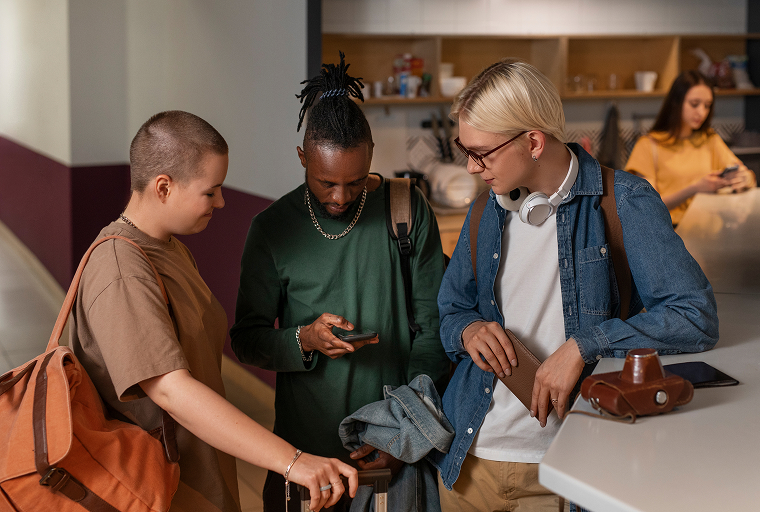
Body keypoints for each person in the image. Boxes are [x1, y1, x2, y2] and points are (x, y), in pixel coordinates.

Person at [434, 60, 719, 511]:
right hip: (468, 463)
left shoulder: (623, 200)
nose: (472, 167)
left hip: (566, 465)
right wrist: (467, 330)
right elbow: (450, 311)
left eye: (482, 153)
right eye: (464, 149)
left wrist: (587, 345)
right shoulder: (483, 211)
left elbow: (694, 317)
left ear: (532, 141)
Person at [69, 111, 358, 512]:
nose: (221, 202)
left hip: (197, 468)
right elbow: (171, 388)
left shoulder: (167, 248)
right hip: (152, 487)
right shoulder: (122, 270)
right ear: (164, 187)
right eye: (211, 191)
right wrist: (293, 461)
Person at [230, 53, 451, 511]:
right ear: (301, 157)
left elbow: (434, 328)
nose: (340, 197)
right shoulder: (273, 229)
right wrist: (304, 339)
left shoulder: (405, 210)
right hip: (303, 451)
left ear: (371, 156)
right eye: (325, 182)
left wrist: (404, 427)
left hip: (390, 448)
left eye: (354, 183)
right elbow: (247, 341)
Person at [625, 70, 757, 225]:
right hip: (672, 234)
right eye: (694, 104)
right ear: (676, 102)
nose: (701, 112)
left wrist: (746, 178)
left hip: (710, 233)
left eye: (707, 106)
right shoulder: (649, 145)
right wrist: (694, 188)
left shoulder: (709, 139)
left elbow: (743, 172)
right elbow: (649, 205)